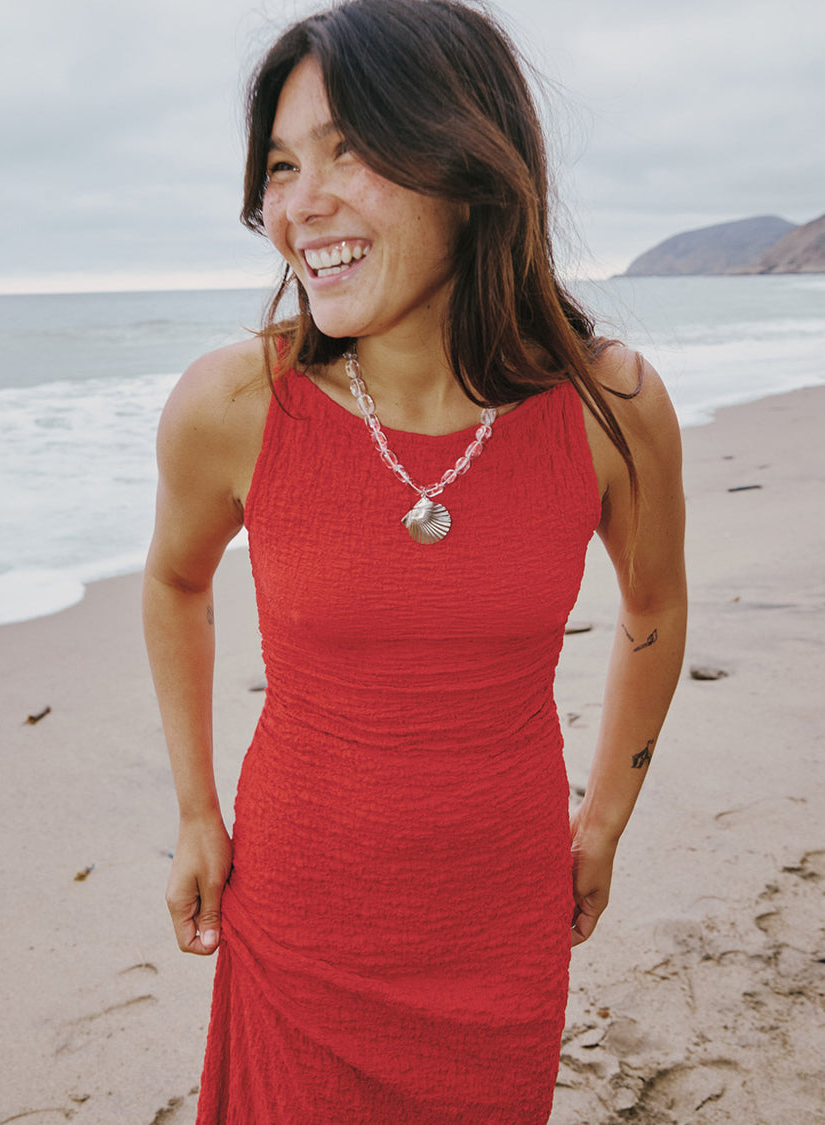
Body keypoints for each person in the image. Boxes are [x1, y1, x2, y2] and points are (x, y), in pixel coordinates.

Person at [142, 0, 687, 1121]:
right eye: (282, 166)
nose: (301, 204)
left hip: (501, 916)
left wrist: (604, 821)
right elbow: (175, 582)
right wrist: (197, 811)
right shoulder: (234, 403)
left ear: (472, 164)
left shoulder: (611, 405)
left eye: (351, 150)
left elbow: (656, 606)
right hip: (298, 914)